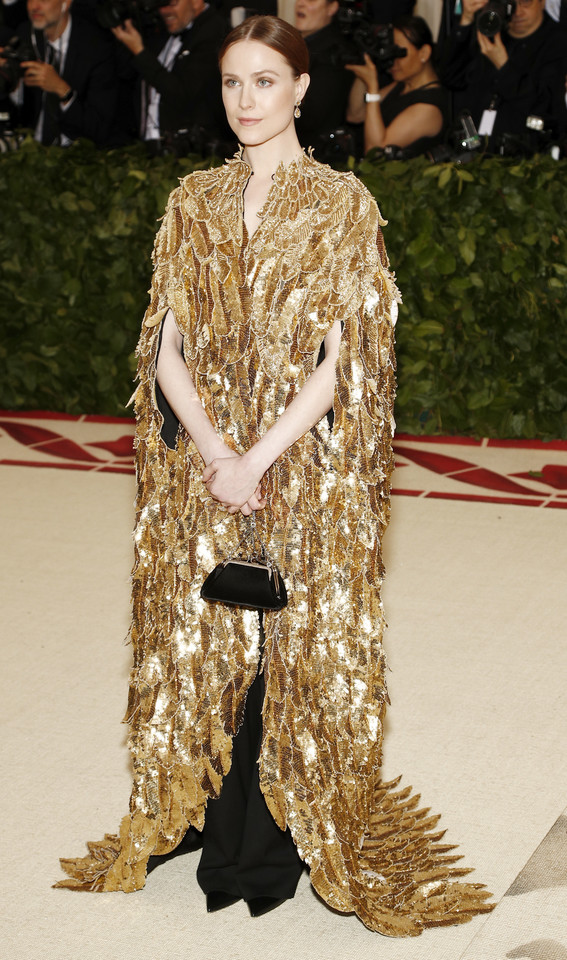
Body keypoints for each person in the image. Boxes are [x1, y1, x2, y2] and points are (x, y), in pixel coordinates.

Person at [55, 14, 493, 937]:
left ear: (302, 89)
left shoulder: (341, 204)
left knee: (294, 645)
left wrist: (258, 456)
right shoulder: (192, 202)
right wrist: (217, 451)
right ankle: (209, 816)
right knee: (205, 638)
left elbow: (348, 358)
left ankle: (278, 835)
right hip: (200, 466)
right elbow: (163, 345)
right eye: (232, 83)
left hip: (304, 462)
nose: (246, 100)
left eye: (265, 81)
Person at [439, 0, 567, 152]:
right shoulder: (491, 32)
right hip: (475, 149)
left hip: (528, 155)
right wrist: (466, 21)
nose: (518, 12)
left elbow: (546, 105)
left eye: (526, 3)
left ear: (542, 3)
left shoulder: (558, 43)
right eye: (511, 4)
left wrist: (504, 66)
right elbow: (451, 78)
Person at [111, 0, 229, 149]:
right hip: (150, 148)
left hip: (192, 153)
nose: (164, 11)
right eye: (160, 4)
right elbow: (126, 77)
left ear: (196, 2)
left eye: (172, 3)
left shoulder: (214, 33)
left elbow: (184, 95)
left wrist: (139, 52)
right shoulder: (164, 31)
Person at [4, 0, 117, 145]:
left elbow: (98, 128)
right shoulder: (24, 35)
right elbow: (16, 114)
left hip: (77, 154)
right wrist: (12, 83)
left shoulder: (95, 47)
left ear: (66, 3)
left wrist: (62, 90)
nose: (34, 6)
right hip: (28, 148)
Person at [346, 15, 449, 156]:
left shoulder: (429, 107)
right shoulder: (402, 85)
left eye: (399, 53)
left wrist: (372, 87)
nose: (393, 61)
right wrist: (365, 65)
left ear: (424, 53)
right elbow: (355, 114)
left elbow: (375, 152)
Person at [293, 0, 355, 148]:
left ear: (332, 7)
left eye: (311, 0)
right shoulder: (298, 43)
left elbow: (311, 118)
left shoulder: (334, 53)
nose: (301, 3)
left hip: (314, 155)